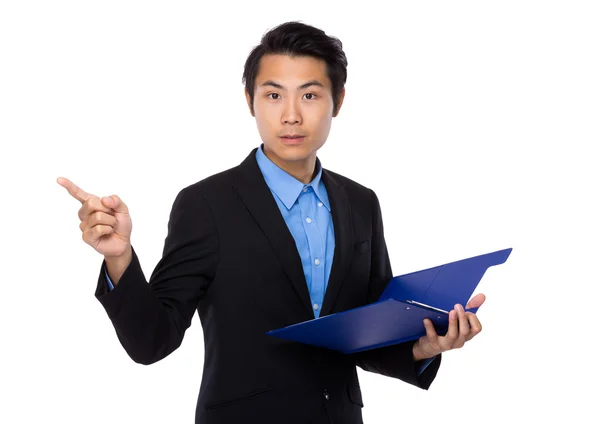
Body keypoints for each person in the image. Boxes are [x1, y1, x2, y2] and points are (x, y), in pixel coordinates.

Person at [57, 21, 485, 424]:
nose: (292, 115)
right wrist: (120, 260)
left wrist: (424, 345)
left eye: (311, 95)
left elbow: (366, 332)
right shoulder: (206, 204)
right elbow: (152, 341)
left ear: (338, 100)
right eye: (274, 95)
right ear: (250, 101)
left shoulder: (360, 203)